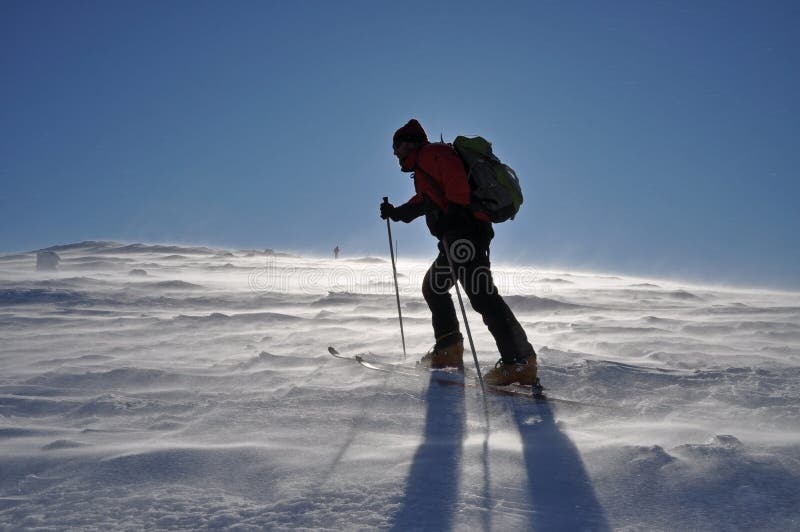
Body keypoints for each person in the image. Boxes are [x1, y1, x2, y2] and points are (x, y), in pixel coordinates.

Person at [380, 119, 538, 386]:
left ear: (409, 144)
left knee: (482, 296)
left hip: (465, 236)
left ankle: (519, 360)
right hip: (455, 239)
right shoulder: (423, 166)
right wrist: (398, 213)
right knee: (435, 286)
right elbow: (428, 199)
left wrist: (453, 217)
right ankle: (448, 348)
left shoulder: (434, 154)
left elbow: (457, 187)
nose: (395, 154)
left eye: (397, 148)